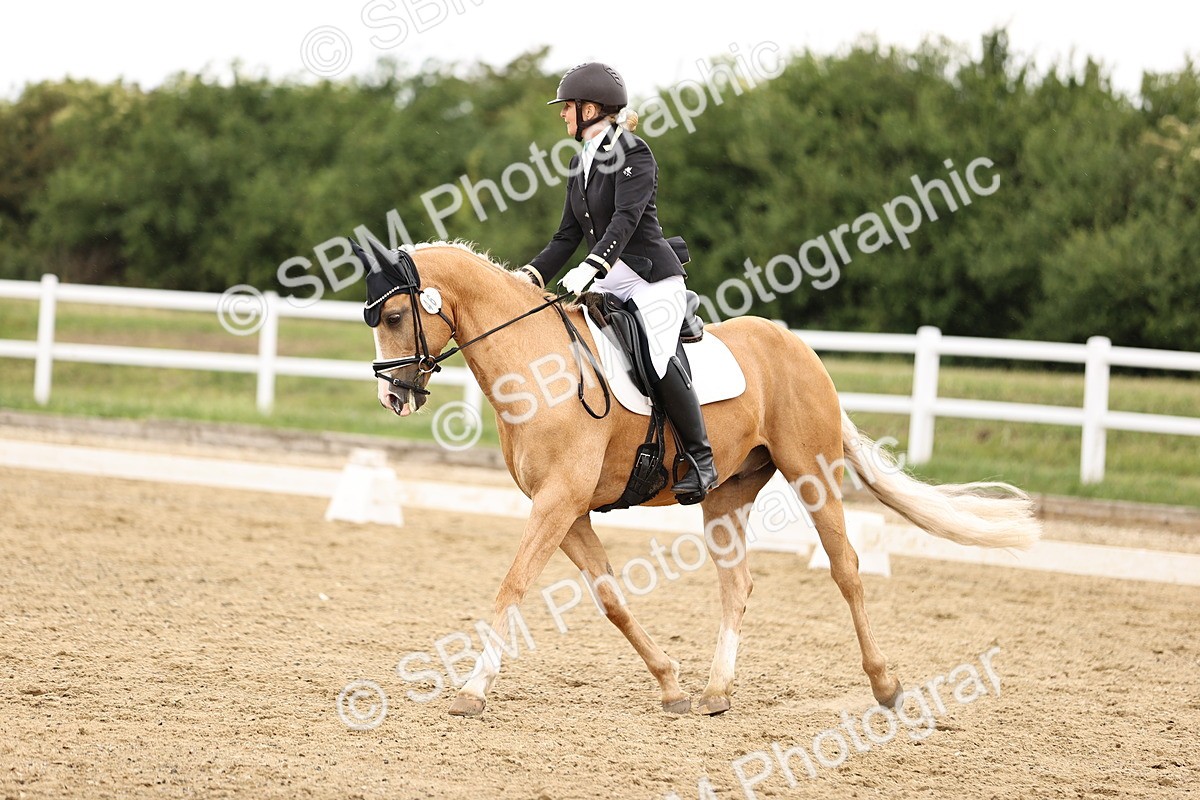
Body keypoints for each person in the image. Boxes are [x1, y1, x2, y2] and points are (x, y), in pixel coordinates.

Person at [513, 62, 717, 504]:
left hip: (650, 280)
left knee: (653, 354)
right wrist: (530, 275)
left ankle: (701, 459)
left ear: (591, 108)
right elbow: (567, 234)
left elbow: (626, 220)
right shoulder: (578, 160)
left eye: (568, 107)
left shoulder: (634, 153)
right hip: (609, 283)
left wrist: (593, 265)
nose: (563, 115)